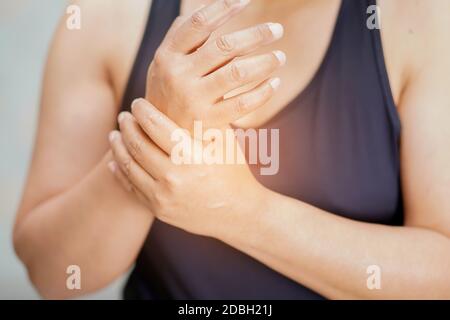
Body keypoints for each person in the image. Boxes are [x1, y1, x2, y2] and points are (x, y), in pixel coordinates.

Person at [13, 0, 450, 299]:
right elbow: (54, 274)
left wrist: (244, 213)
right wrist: (155, 136)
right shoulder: (107, 17)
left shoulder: (419, 21)